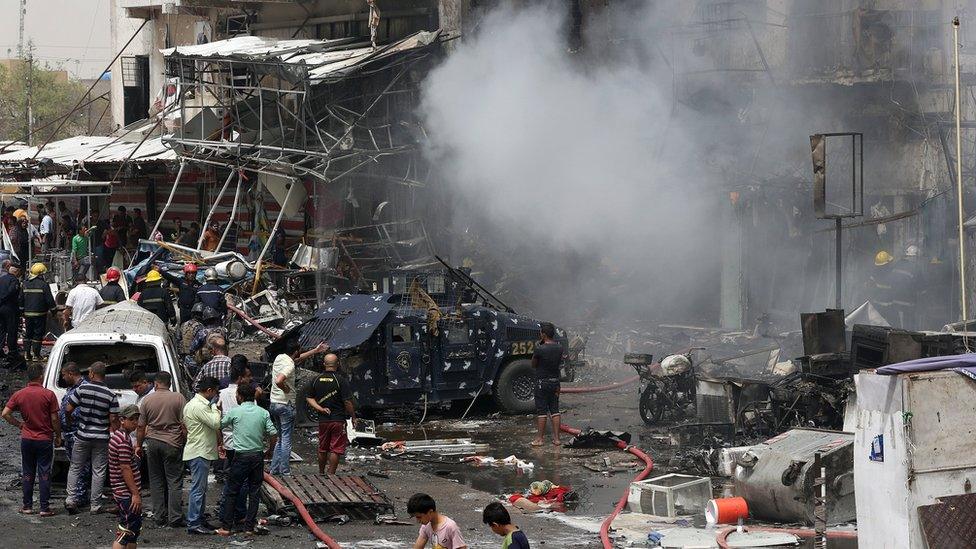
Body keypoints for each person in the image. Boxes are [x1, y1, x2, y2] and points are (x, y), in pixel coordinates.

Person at [216, 383, 277, 537]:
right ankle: (249, 527)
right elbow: (273, 433)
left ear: (240, 396)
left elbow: (219, 425)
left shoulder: (235, 412)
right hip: (257, 456)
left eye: (237, 394)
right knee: (254, 492)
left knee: (232, 491)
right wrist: (270, 450)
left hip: (241, 456)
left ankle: (227, 527)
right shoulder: (263, 413)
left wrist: (220, 442)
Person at [2, 362, 61, 517]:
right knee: (44, 473)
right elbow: (55, 419)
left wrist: (19, 424)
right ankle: (44, 508)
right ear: (41, 376)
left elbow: (5, 414)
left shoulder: (19, 394)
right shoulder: (49, 395)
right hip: (44, 439)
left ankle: (27, 506)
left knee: (28, 472)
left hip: (27, 438)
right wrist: (58, 435)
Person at [64, 361, 119, 514]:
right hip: (101, 437)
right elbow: (114, 418)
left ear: (93, 374)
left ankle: (70, 500)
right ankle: (95, 505)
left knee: (75, 467)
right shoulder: (111, 394)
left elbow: (68, 409)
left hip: (82, 435)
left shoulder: (82, 389)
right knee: (99, 470)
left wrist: (70, 421)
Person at [269, 337, 329, 476]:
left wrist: (315, 350)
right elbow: (279, 380)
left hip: (274, 404)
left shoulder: (280, 358)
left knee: (280, 438)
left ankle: (274, 469)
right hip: (285, 405)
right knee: (286, 440)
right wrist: (285, 389)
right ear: (296, 351)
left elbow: (296, 359)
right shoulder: (289, 365)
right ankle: (285, 471)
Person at [136, 371, 187, 528]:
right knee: (174, 481)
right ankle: (175, 517)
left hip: (153, 443)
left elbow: (140, 426)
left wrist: (138, 444)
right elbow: (184, 424)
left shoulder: (147, 400)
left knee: (156, 480)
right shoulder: (179, 398)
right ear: (169, 383)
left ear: (156, 384)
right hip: (173, 442)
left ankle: (159, 515)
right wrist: (185, 442)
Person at [182, 376, 221, 535]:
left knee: (201, 488)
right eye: (215, 392)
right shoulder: (199, 406)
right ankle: (194, 523)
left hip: (200, 450)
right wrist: (216, 408)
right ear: (210, 390)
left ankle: (199, 519)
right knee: (198, 489)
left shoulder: (193, 404)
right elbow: (216, 423)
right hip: (199, 451)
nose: (216, 395)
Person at [305, 353, 356, 475]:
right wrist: (353, 416)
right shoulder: (340, 380)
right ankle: (331, 474)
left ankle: (321, 473)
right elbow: (347, 401)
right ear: (337, 364)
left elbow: (309, 398)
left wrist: (320, 409)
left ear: (324, 364)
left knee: (322, 448)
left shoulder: (316, 379)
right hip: (337, 420)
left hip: (323, 420)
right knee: (336, 449)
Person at [216, 359, 252, 524]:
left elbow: (218, 417)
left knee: (231, 478)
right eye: (247, 376)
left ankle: (227, 512)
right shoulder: (246, 393)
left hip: (229, 441)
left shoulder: (222, 394)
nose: (249, 379)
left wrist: (220, 441)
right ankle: (239, 512)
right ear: (240, 378)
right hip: (245, 442)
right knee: (243, 480)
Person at [109, 405, 142, 549]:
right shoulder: (122, 440)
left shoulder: (120, 436)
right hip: (125, 492)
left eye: (136, 419)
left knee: (133, 531)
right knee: (126, 531)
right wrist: (135, 493)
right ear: (122, 420)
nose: (135, 423)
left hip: (123, 491)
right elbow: (125, 468)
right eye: (132, 419)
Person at [60, 362, 90, 507]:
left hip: (78, 433)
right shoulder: (72, 388)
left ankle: (79, 497)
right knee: (76, 465)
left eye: (64, 375)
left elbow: (78, 411)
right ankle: (78, 495)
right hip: (70, 433)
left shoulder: (83, 389)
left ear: (71, 373)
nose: (63, 378)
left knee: (81, 467)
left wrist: (69, 419)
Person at [531, 322, 563, 447]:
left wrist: (538, 348)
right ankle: (557, 439)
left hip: (542, 383)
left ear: (543, 335)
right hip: (555, 383)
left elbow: (533, 365)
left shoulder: (540, 348)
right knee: (555, 410)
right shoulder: (559, 347)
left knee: (542, 411)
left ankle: (539, 439)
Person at [21, 262, 55, 362]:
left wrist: (21, 311)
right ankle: (36, 355)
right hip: (40, 314)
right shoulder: (44, 285)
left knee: (28, 333)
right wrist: (54, 311)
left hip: (27, 314)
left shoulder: (25, 283)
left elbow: (21, 299)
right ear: (40, 274)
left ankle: (27, 354)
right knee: (38, 334)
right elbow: (49, 300)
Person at [0, 260, 23, 364]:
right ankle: (12, 351)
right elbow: (11, 292)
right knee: (11, 330)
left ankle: (0, 349)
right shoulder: (14, 280)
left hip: (1, 307)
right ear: (16, 272)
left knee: (1, 329)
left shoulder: (2, 279)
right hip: (10, 308)